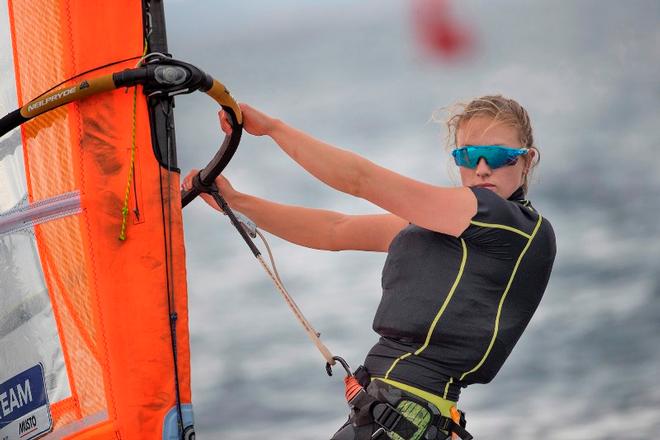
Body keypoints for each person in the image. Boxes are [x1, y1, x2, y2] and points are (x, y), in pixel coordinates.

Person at [182, 95, 556, 439]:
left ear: (527, 161)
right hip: (388, 414)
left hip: (404, 416)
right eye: (468, 155)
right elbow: (335, 230)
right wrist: (238, 201)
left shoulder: (510, 225)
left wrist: (273, 129)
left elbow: (361, 180)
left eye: (499, 155)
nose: (482, 168)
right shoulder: (454, 226)